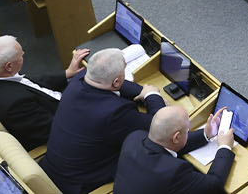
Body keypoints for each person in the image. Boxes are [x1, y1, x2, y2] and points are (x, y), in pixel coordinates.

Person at [40, 48, 168, 194]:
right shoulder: (115, 113)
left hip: (54, 170)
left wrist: (141, 92)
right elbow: (160, 125)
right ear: (116, 81)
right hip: (82, 184)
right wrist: (152, 96)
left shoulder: (77, 82)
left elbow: (119, 84)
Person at [0, 36, 86, 151]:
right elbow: (56, 129)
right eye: (21, 55)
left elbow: (29, 83)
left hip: (50, 104)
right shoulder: (15, 105)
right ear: (9, 66)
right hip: (66, 123)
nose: (23, 54)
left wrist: (67, 73)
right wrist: (82, 93)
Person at [113, 104, 234, 194]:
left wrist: (206, 134)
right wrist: (225, 147)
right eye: (187, 131)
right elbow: (214, 185)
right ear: (176, 137)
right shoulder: (174, 171)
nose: (188, 133)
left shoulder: (134, 138)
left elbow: (166, 144)